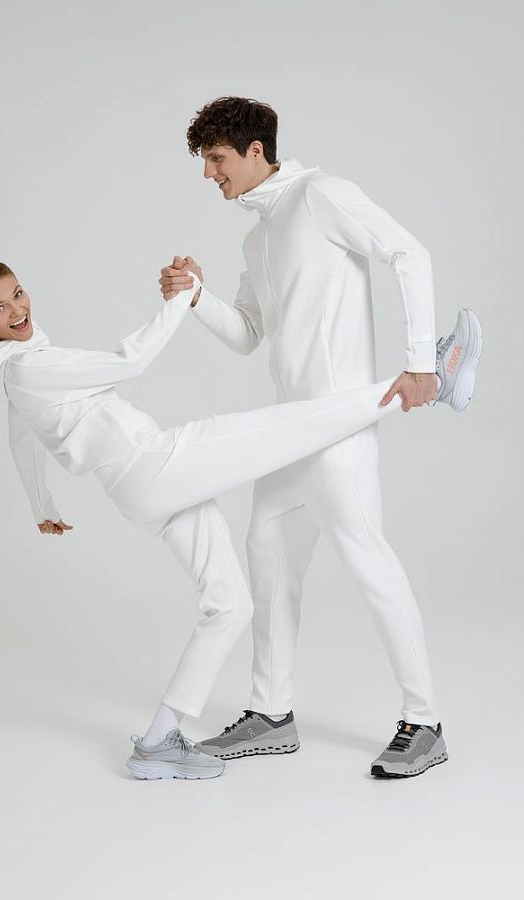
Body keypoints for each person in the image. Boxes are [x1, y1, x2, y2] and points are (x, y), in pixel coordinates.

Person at [0, 259, 479, 781]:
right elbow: (129, 361)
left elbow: (20, 439)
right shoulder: (28, 368)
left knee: (229, 605)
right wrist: (181, 299)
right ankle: (430, 380)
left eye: (18, 293)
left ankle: (159, 740)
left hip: (139, 486)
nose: (17, 310)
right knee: (288, 425)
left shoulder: (18, 369)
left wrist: (42, 507)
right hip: (153, 464)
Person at [159, 96, 483, 778]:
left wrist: (420, 362)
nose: (209, 174)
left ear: (255, 151)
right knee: (269, 560)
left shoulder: (320, 196)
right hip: (288, 432)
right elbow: (249, 334)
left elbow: (409, 253)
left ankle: (424, 722)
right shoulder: (257, 236)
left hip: (338, 427)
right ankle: (271, 714)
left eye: (216, 159)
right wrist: (195, 297)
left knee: (367, 558)